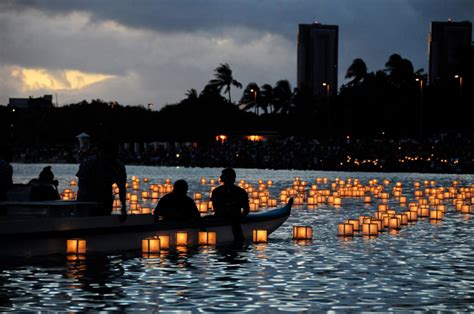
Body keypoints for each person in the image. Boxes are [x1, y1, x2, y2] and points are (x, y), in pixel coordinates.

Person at [76, 141, 127, 217]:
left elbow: (122, 188)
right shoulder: (89, 163)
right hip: (86, 198)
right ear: (100, 152)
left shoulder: (118, 167)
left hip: (105, 198)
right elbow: (82, 183)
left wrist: (123, 208)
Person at [211, 167, 250, 242]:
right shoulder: (216, 191)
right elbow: (216, 208)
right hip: (221, 216)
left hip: (235, 218)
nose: (221, 177)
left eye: (223, 175)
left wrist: (240, 217)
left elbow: (246, 209)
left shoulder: (240, 192)